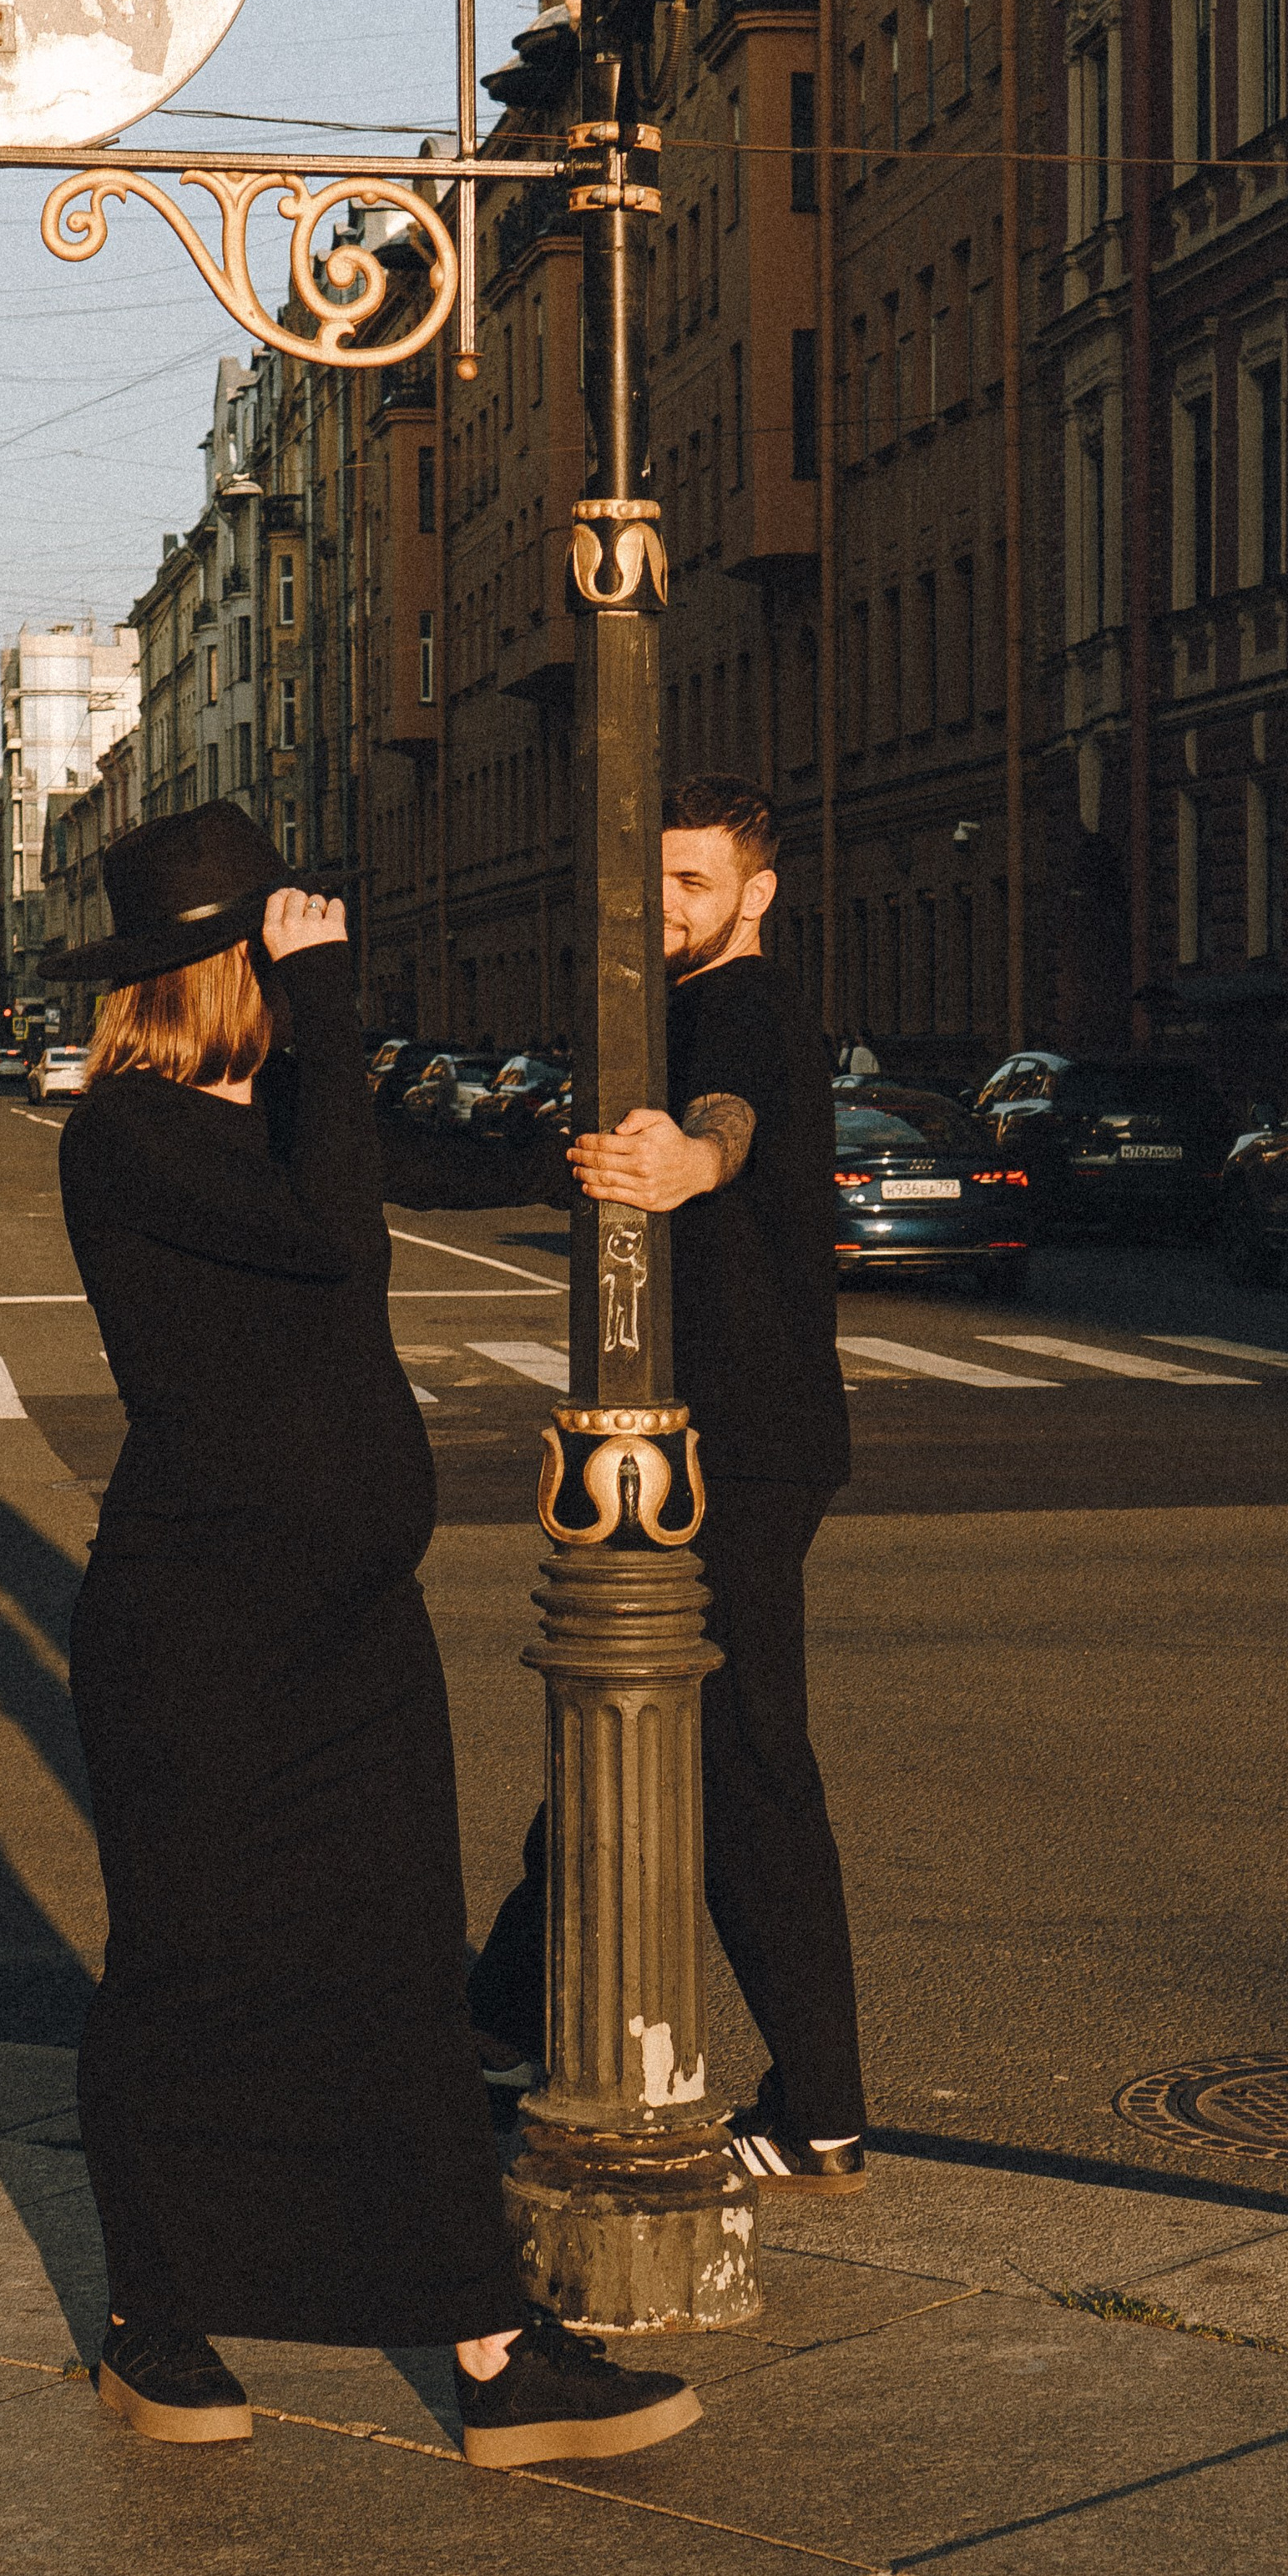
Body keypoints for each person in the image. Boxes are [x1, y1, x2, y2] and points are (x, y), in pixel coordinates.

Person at [49, 803, 700, 2467]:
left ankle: (490, 2354)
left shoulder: (259, 1117)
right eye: (277, 948)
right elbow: (339, 1237)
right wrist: (330, 1009)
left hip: (341, 1623)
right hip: (197, 1635)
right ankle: (156, 2321)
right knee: (196, 1970)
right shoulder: (126, 1130)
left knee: (393, 1973)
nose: (302, 973)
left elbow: (336, 1220)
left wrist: (312, 1042)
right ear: (227, 966)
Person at [464, 775, 869, 2193]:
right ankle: (501, 2019)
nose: (668, 906)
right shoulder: (659, 1006)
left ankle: (822, 2107)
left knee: (747, 1759)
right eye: (652, 883)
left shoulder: (744, 1008)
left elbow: (733, 1114)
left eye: (695, 882)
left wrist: (695, 1157)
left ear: (754, 892)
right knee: (622, 1727)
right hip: (681, 1433)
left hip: (740, 1443)